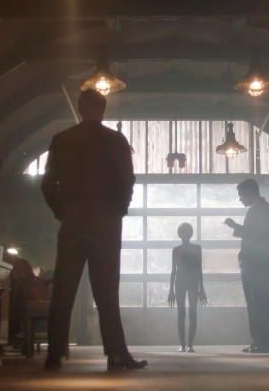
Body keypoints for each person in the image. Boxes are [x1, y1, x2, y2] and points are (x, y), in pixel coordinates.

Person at [40, 88, 147, 370]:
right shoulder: (116, 140)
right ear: (103, 110)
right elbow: (127, 180)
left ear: (79, 108)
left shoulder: (62, 139)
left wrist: (61, 211)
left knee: (63, 290)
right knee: (107, 291)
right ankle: (116, 354)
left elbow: (48, 183)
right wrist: (118, 211)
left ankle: (54, 355)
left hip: (73, 221)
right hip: (105, 223)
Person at [224, 178, 269, 353]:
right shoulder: (257, 210)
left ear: (250, 192)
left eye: (241, 195)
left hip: (258, 264)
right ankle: (258, 341)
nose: (240, 199)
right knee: (254, 304)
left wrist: (235, 226)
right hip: (250, 263)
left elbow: (258, 236)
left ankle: (266, 343)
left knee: (261, 304)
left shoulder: (265, 210)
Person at [167, 222, 208, 353]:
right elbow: (173, 271)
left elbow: (199, 269)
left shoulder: (196, 249)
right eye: (184, 233)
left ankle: (189, 345)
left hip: (190, 282)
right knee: (183, 313)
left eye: (187, 232)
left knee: (191, 313)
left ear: (190, 234)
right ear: (181, 234)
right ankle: (184, 345)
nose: (185, 235)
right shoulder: (177, 250)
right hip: (183, 282)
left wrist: (202, 288)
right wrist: (170, 290)